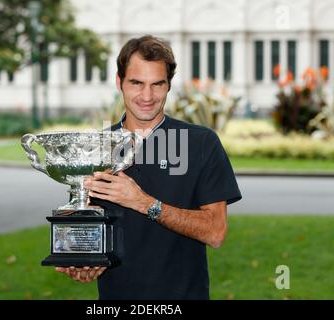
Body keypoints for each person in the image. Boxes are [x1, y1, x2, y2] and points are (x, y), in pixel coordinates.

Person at [56, 35, 242, 300]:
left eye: (157, 84)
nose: (147, 96)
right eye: (136, 83)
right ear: (119, 82)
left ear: (168, 86)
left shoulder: (201, 143)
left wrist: (144, 203)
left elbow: (215, 232)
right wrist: (82, 261)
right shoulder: (95, 148)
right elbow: (85, 229)